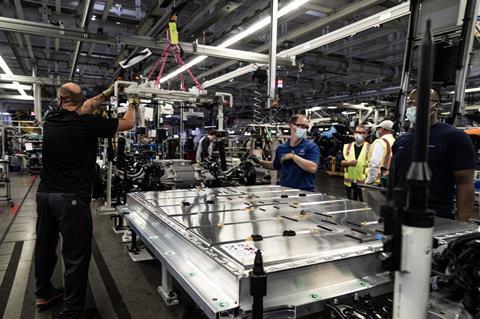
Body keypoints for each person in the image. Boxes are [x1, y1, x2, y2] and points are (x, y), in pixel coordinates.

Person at [35, 82, 137, 318]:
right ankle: (72, 313)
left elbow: (85, 105)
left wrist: (111, 90)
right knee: (75, 257)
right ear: (80, 101)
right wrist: (133, 101)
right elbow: (129, 123)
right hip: (70, 201)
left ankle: (43, 293)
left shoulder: (51, 119)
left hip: (44, 196)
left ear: (61, 100)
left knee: (44, 248)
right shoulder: (88, 124)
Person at [392, 88, 475, 221]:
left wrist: (462, 223)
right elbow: (396, 180)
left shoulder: (454, 137)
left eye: (418, 102)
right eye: (410, 103)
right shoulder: (401, 140)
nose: (413, 107)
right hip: (401, 216)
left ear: (436, 106)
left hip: (437, 218)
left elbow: (464, 184)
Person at [252, 114, 320, 191]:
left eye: (305, 127)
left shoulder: (311, 147)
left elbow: (312, 168)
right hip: (285, 189)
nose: (302, 129)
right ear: (291, 125)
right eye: (300, 126)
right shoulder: (282, 148)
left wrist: (293, 156)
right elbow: (275, 165)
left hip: (304, 191)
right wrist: (260, 161)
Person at [340, 125, 370, 201]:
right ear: (354, 134)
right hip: (349, 183)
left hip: (364, 183)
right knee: (350, 204)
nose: (359, 134)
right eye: (357, 132)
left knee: (363, 205)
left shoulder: (370, 147)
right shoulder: (347, 147)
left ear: (366, 134)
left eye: (362, 133)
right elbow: (341, 162)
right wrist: (348, 163)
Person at [365, 120, 396, 185]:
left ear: (382, 129)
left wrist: (369, 180)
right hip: (389, 180)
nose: (377, 131)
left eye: (378, 129)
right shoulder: (394, 141)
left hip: (377, 181)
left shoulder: (380, 142)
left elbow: (375, 163)